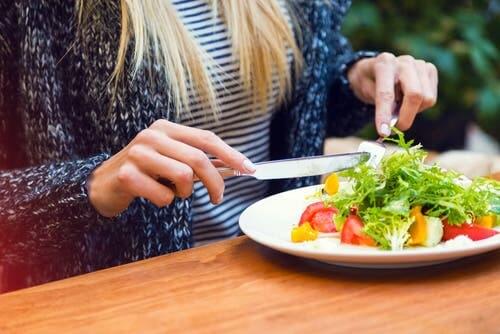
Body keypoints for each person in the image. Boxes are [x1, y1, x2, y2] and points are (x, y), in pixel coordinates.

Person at [0, 0, 437, 292]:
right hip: (132, 305)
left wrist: (354, 79)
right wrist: (88, 187)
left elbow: (297, 98)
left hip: (291, 280)